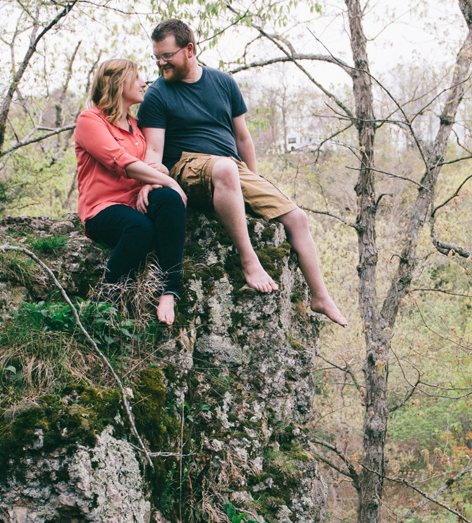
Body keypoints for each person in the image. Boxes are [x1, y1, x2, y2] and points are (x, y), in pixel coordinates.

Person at [136, 19, 348, 326]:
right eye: (156, 56)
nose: (159, 62)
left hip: (230, 168)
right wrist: (151, 178)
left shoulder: (223, 83)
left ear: (190, 49)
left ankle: (320, 296)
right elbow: (154, 151)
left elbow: (243, 138)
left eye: (167, 55)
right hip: (187, 165)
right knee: (225, 168)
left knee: (297, 218)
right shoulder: (157, 94)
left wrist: (256, 181)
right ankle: (250, 262)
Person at [74, 58, 187, 326]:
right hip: (102, 209)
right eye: (136, 77)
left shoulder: (136, 127)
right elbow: (120, 162)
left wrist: (153, 181)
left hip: (136, 201)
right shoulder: (90, 120)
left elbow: (152, 165)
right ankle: (105, 297)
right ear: (117, 81)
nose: (143, 83)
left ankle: (169, 289)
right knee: (140, 229)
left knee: (169, 200)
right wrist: (166, 180)